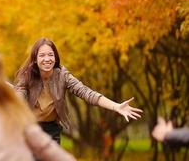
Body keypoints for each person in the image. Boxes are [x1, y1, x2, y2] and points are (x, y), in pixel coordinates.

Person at [15, 38, 143, 143]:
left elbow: (87, 93)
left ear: (55, 57)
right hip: (30, 129)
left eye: (50, 55)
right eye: (42, 55)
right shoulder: (27, 76)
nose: (47, 59)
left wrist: (116, 107)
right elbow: (18, 96)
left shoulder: (62, 76)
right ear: (35, 59)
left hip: (52, 131)